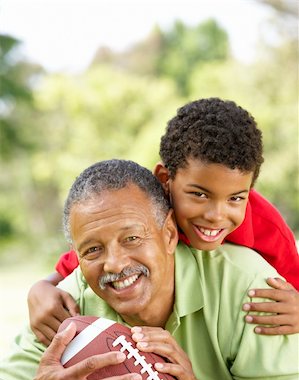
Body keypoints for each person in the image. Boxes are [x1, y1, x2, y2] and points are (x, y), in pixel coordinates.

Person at [0, 159, 298, 380]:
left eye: (131, 239)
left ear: (169, 234)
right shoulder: (66, 304)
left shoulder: (250, 286)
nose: (114, 264)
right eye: (93, 250)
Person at [27, 98, 299, 346]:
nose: (216, 214)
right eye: (200, 194)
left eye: (236, 198)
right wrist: (42, 288)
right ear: (165, 179)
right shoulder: (148, 213)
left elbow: (293, 284)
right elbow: (92, 256)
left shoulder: (268, 229)